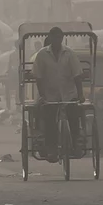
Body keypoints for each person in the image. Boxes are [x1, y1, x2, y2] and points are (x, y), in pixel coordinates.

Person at [33, 27, 84, 163]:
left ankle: (76, 144)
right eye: (55, 38)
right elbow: (38, 77)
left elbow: (77, 76)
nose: (57, 41)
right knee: (50, 121)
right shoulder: (42, 55)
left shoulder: (69, 54)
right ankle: (52, 149)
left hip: (68, 94)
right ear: (51, 38)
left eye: (59, 38)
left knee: (74, 117)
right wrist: (42, 95)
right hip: (50, 95)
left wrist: (80, 94)